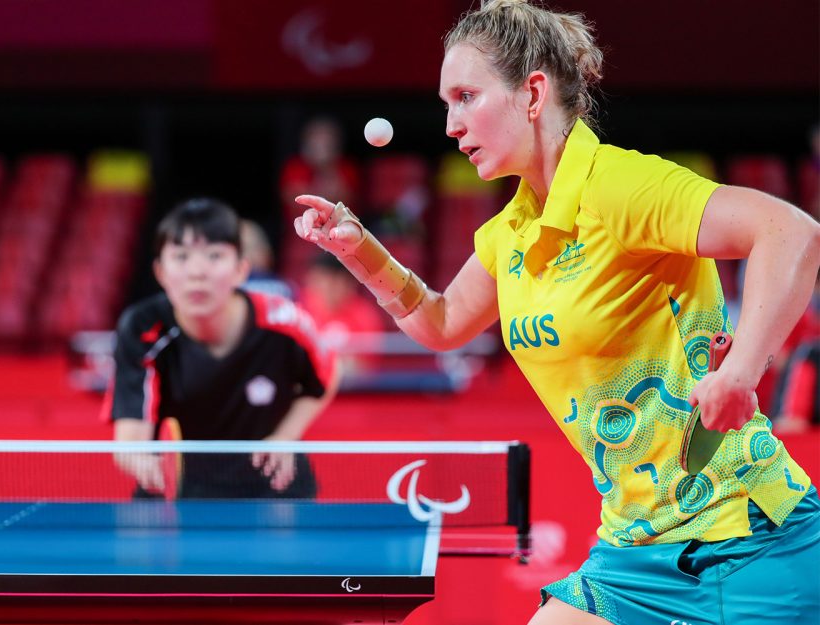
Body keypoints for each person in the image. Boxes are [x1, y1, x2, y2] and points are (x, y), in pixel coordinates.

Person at [293, 2, 820, 623]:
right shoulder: (508, 235)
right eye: (445, 103)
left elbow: (791, 232)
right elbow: (438, 323)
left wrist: (740, 374)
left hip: (748, 534)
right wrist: (360, 251)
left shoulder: (622, 188)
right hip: (632, 551)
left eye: (465, 96)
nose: (450, 124)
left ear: (533, 93)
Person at [104, 197, 338, 500]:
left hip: (275, 490)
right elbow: (131, 436)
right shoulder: (142, 328)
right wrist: (138, 458)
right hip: (183, 492)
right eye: (181, 256)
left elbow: (328, 372)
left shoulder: (283, 320)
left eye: (214, 256)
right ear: (160, 272)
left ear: (241, 269)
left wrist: (283, 437)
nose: (197, 272)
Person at [298, 252, 386, 376]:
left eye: (335, 281)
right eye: (322, 279)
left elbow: (366, 367)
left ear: (350, 283)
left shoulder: (365, 316)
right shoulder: (297, 310)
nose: (327, 288)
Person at [239, 218, 296, 300]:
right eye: (246, 249)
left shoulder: (232, 290)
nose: (250, 255)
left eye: (255, 248)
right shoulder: (288, 287)